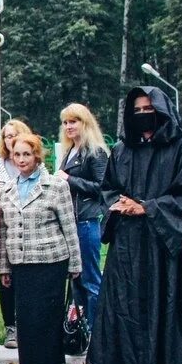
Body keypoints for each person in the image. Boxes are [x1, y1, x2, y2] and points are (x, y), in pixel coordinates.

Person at [88, 87, 182, 364]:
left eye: (148, 108)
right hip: (127, 247)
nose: (142, 114)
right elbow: (108, 188)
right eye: (136, 109)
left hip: (160, 248)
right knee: (130, 314)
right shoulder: (123, 149)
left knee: (159, 312)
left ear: (163, 110)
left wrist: (148, 207)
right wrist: (119, 203)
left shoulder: (181, 148)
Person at [0, 133, 82, 364]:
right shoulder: (7, 188)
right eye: (17, 155)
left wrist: (75, 264)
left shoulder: (55, 186)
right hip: (21, 263)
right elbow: (3, 231)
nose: (21, 159)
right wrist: (4, 268)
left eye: (27, 154)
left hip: (49, 262)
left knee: (45, 320)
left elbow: (69, 226)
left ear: (37, 156)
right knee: (27, 321)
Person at [58, 103, 110, 331]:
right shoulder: (70, 151)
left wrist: (69, 179)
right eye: (65, 122)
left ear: (85, 123)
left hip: (87, 222)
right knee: (76, 280)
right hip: (71, 222)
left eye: (73, 121)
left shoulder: (95, 152)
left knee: (89, 279)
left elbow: (102, 187)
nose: (68, 126)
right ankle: (80, 329)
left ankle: (96, 331)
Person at [0, 118, 32, 350]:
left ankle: (27, 325)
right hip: (4, 230)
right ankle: (11, 328)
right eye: (7, 136)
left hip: (29, 231)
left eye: (15, 135)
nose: (11, 140)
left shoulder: (31, 164)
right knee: (7, 279)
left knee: (27, 280)